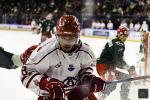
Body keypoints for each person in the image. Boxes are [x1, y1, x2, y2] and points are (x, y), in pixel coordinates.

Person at [20, 15, 106, 100]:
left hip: (77, 92)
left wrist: (87, 77)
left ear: (77, 37)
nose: (66, 43)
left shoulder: (86, 51)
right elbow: (27, 73)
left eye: (71, 38)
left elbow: (86, 68)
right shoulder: (45, 50)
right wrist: (46, 83)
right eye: (63, 38)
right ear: (57, 35)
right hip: (52, 95)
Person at [96, 26, 135, 100]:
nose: (125, 38)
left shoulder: (115, 42)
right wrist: (129, 68)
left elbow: (118, 60)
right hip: (104, 67)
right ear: (119, 34)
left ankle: (124, 98)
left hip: (104, 66)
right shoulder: (118, 44)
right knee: (112, 84)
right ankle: (100, 98)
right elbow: (118, 61)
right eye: (124, 35)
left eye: (126, 36)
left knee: (126, 78)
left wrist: (128, 68)